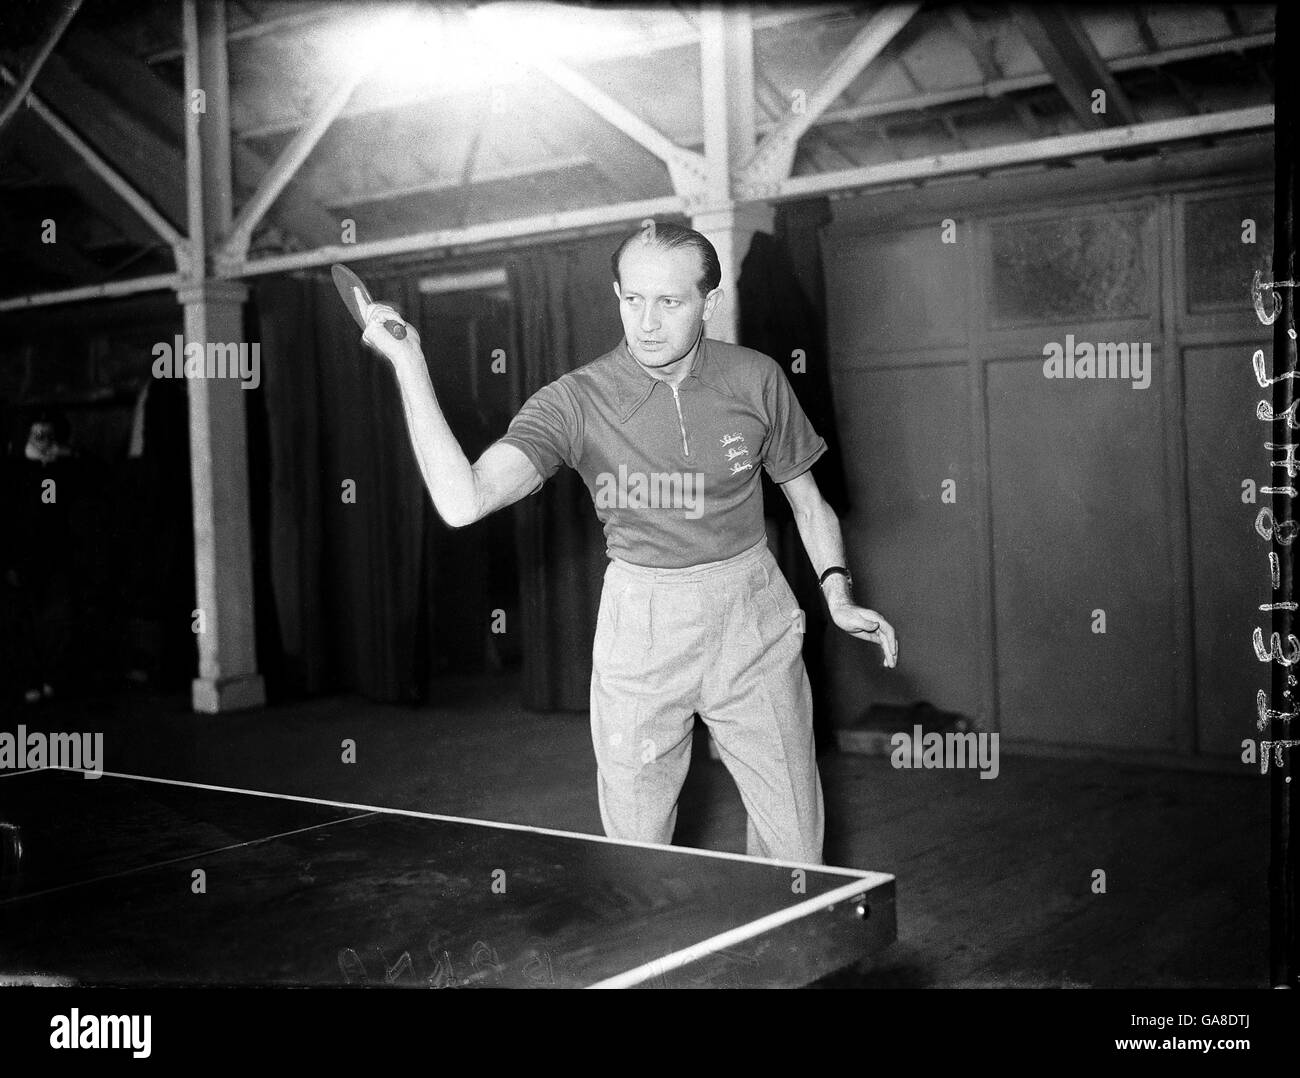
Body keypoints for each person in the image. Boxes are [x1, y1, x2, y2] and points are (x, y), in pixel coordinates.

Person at [361, 222, 898, 865]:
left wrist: (836, 592)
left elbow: (808, 502)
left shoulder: (756, 378)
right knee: (637, 852)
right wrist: (410, 365)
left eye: (670, 302)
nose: (647, 322)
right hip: (641, 622)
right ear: (616, 294)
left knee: (796, 849)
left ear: (708, 301)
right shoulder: (575, 401)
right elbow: (462, 499)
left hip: (752, 612)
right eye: (631, 298)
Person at [2, 410, 79, 705]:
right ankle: (32, 678)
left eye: (49, 436)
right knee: (26, 624)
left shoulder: (60, 469)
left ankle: (50, 677)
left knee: (57, 621)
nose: (45, 441)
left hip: (55, 556)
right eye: (39, 436)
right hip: (25, 559)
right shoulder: (15, 472)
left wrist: (63, 459)